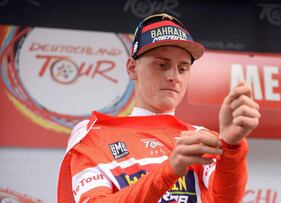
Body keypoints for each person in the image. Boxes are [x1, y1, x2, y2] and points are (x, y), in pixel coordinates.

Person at [57, 13, 260, 203]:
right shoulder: (93, 134)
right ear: (132, 68)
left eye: (183, 69)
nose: (174, 76)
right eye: (161, 65)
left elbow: (224, 199)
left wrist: (232, 146)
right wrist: (170, 170)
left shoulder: (199, 137)